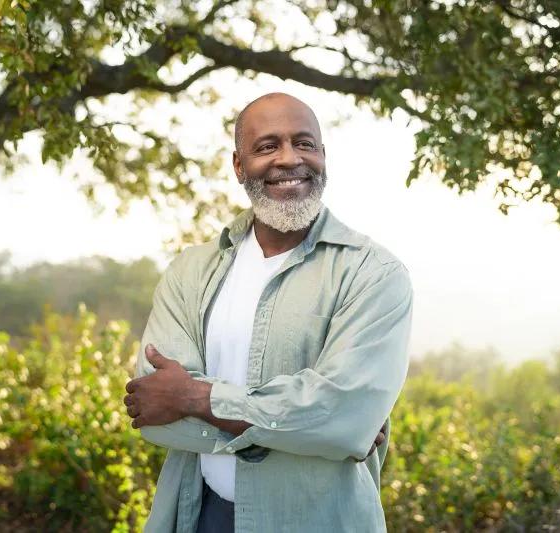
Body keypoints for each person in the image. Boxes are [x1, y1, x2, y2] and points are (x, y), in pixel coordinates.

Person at [123, 92, 414, 532]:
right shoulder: (191, 270)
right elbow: (156, 417)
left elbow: (346, 420)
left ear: (322, 156)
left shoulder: (373, 273)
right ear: (239, 165)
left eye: (304, 143)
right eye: (267, 146)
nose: (289, 159)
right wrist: (312, 429)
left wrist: (193, 399)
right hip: (201, 517)